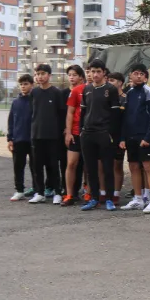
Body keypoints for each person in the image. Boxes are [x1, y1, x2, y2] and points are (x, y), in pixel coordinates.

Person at [78, 60, 122, 211]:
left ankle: (109, 199)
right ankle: (94, 198)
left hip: (104, 133)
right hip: (88, 134)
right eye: (92, 71)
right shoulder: (87, 89)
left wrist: (111, 134)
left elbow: (116, 114)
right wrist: (81, 131)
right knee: (91, 169)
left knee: (107, 167)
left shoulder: (111, 89)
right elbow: (83, 112)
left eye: (98, 71)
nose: (95, 74)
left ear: (104, 73)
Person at [119, 63, 150, 213]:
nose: (138, 76)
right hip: (131, 136)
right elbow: (124, 117)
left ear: (145, 77)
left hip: (145, 137)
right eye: (135, 73)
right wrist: (122, 138)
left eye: (141, 74)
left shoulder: (149, 91)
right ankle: (138, 199)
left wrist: (148, 137)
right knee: (133, 166)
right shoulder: (129, 93)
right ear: (130, 75)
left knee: (148, 166)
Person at [28, 63, 66, 204]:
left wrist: (61, 131)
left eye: (43, 74)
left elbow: (62, 114)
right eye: (38, 74)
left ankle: (57, 192)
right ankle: (39, 192)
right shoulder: (34, 93)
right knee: (37, 166)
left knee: (53, 165)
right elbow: (32, 113)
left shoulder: (56, 93)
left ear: (49, 75)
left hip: (52, 136)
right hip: (36, 135)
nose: (40, 77)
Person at [60, 64, 87, 207]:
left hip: (90, 133)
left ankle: (89, 193)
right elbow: (70, 112)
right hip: (75, 133)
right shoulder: (75, 91)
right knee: (71, 163)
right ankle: (69, 194)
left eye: (74, 75)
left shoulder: (94, 90)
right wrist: (68, 132)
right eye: (69, 75)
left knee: (89, 165)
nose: (71, 77)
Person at [7, 74, 35, 201]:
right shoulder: (16, 102)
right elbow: (11, 121)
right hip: (18, 139)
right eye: (21, 84)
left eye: (26, 84)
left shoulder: (35, 101)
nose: (23, 86)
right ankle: (19, 190)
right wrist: (10, 138)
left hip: (33, 139)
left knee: (35, 166)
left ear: (32, 85)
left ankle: (37, 188)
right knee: (18, 166)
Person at [107, 72, 128, 206]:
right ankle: (103, 192)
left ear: (120, 82)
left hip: (119, 136)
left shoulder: (125, 99)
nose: (109, 83)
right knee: (103, 165)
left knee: (117, 165)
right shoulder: (106, 97)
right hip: (105, 135)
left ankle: (116, 193)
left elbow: (126, 120)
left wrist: (123, 138)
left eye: (112, 80)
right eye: (108, 80)